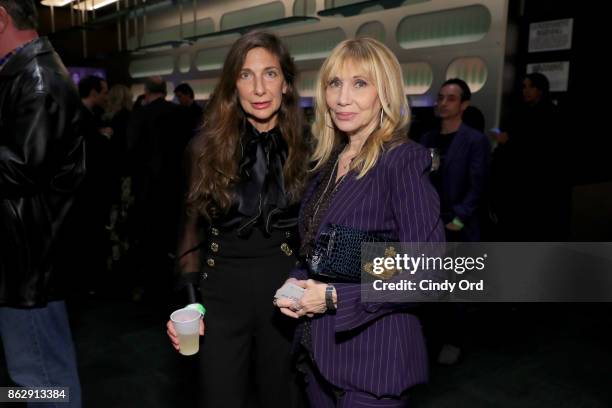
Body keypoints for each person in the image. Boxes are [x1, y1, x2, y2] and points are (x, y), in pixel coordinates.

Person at [274, 37, 444, 407]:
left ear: (384, 92)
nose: (342, 98)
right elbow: (321, 249)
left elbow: (429, 273)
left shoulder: (402, 161)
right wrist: (298, 278)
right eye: (335, 83)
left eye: (360, 84)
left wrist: (335, 297)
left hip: (373, 364)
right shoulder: (331, 160)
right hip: (318, 356)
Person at [166, 31, 309, 407]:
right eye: (246, 75)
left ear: (287, 82)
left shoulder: (308, 146)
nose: (259, 88)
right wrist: (190, 303)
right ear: (233, 85)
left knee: (283, 397)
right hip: (221, 293)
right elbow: (189, 232)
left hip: (287, 294)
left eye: (270, 74)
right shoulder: (204, 147)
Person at [0, 1, 84, 405]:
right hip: (27, 257)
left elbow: (22, 170)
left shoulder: (37, 80)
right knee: (35, 375)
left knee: (42, 376)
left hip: (30, 262)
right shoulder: (27, 74)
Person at [127, 76, 193, 302]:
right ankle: (174, 283)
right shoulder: (181, 113)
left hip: (148, 187)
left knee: (149, 238)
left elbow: (131, 150)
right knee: (173, 235)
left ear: (146, 91)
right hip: (176, 184)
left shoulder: (140, 115)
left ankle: (152, 286)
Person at [491, 72, 570, 241]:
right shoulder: (521, 113)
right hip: (520, 185)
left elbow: (542, 147)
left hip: (539, 185)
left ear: (540, 89)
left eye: (531, 86)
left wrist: (509, 141)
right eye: (524, 87)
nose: (526, 91)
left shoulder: (550, 114)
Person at [420, 78, 490, 242]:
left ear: (464, 104)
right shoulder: (427, 138)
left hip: (458, 224)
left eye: (451, 99)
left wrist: (460, 218)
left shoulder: (475, 140)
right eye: (440, 98)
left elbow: (478, 186)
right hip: (429, 221)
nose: (443, 103)